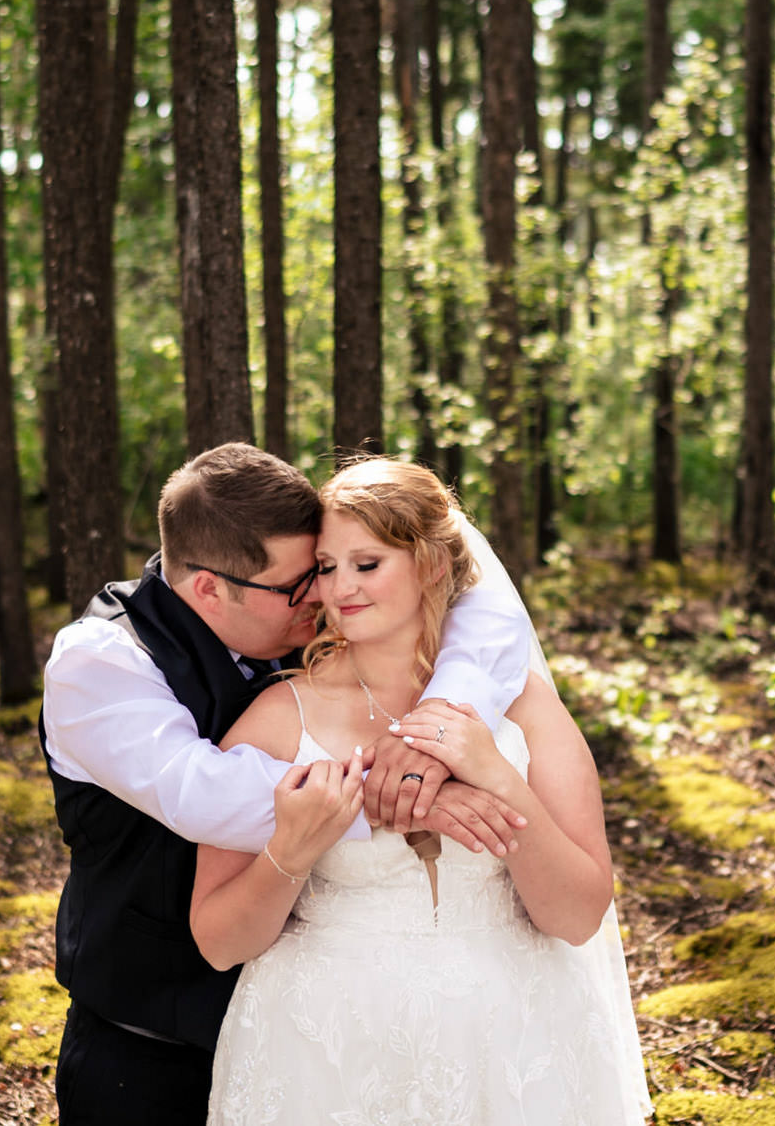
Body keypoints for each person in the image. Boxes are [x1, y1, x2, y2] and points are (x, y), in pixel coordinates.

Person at [41, 443, 545, 1126]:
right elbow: (203, 793)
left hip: (306, 1041)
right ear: (210, 588)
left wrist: (439, 713)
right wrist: (412, 793)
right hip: (146, 1049)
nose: (326, 594)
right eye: (298, 583)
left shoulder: (323, 634)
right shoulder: (100, 660)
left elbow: (489, 610)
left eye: (326, 569)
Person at [192, 458, 652, 1125]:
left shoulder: (524, 710)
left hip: (513, 1045)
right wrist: (293, 851)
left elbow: (579, 916)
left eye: (367, 564)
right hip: (324, 1055)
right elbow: (218, 941)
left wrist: (494, 774)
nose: (340, 588)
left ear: (431, 565)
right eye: (326, 566)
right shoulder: (274, 721)